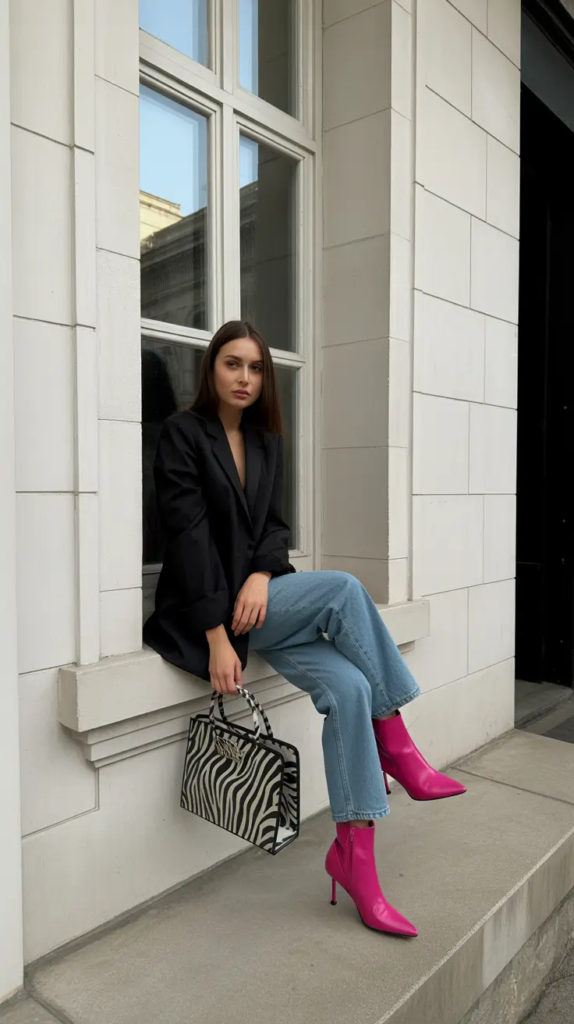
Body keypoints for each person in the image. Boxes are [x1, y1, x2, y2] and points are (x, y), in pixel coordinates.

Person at [143, 320, 466, 939]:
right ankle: (397, 746)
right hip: (207, 614)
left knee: (348, 692)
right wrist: (215, 635)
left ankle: (356, 863)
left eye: (257, 368)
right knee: (344, 589)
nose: (245, 378)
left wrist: (264, 574)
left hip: (260, 604)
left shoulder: (267, 443)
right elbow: (186, 540)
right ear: (211, 370)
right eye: (233, 364)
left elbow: (275, 529)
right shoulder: (185, 435)